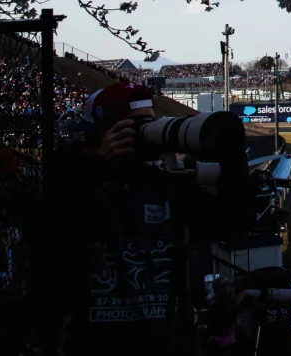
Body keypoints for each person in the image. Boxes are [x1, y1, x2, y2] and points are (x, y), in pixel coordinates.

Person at [45, 82, 251, 355]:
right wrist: (99, 171)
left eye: (148, 124)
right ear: (103, 132)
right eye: (134, 126)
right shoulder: (70, 188)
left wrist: (232, 155)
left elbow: (235, 220)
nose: (144, 135)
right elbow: (56, 268)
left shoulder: (164, 187)